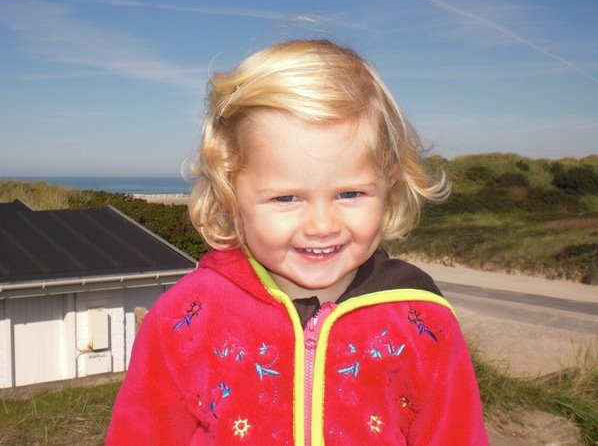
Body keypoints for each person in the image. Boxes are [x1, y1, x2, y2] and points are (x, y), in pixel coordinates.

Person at [106, 39, 489, 445]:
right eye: (286, 198)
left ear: (389, 183)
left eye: (350, 194)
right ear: (230, 196)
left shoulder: (422, 318)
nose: (322, 225)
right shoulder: (185, 316)